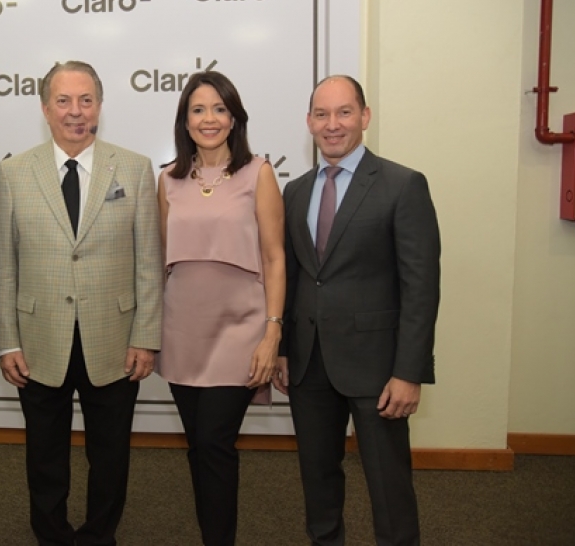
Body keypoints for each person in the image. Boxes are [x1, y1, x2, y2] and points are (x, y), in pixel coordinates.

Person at [0, 60, 163, 546]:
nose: (75, 111)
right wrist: (7, 342)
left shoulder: (133, 167)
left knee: (110, 454)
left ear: (100, 106)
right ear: (45, 108)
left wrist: (145, 337)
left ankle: (99, 535)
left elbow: (148, 262)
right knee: (44, 453)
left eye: (86, 100)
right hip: (38, 339)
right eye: (63, 101)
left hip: (114, 339)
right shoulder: (14, 172)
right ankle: (51, 535)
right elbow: (5, 264)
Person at [274, 75, 440, 546]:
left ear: (364, 117)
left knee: (388, 485)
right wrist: (283, 349)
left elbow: (421, 287)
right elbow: (294, 278)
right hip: (308, 363)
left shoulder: (402, 185)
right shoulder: (295, 192)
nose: (333, 124)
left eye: (344, 112)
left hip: (378, 369)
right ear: (309, 122)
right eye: (322, 114)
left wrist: (409, 372)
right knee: (318, 479)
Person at [156, 71, 285, 546]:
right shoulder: (168, 179)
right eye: (198, 109)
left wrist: (273, 333)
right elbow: (161, 259)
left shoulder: (259, 173)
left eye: (219, 109)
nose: (208, 119)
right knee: (200, 445)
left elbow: (274, 257)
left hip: (241, 331)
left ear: (234, 119)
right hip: (182, 331)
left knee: (213, 441)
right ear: (185, 120)